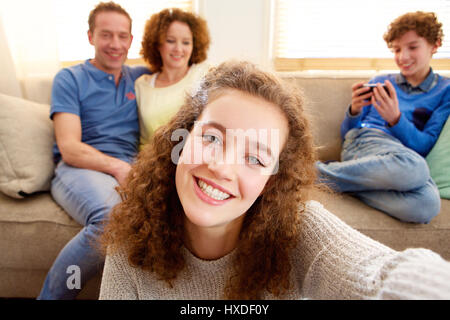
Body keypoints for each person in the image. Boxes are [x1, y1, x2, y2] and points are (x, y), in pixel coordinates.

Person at [98, 61, 450, 300]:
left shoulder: (298, 230)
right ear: (182, 137)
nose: (222, 168)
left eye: (255, 158)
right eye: (211, 138)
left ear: (270, 180)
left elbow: (376, 276)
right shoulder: (132, 240)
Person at [37, 2, 149, 299]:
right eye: (106, 35)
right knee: (111, 217)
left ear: (131, 40)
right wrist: (118, 168)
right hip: (79, 167)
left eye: (122, 36)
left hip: (130, 166)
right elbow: (69, 147)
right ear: (90, 36)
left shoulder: (141, 78)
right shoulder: (70, 78)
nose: (115, 44)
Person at [316, 11, 450, 224]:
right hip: (367, 143)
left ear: (435, 45)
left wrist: (396, 119)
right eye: (397, 49)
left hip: (400, 159)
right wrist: (355, 111)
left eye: (412, 47)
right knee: (416, 168)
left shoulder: (445, 90)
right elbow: (349, 135)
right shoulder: (381, 81)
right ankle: (315, 173)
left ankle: (339, 180)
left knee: (427, 205)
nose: (402, 57)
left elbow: (424, 145)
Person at [135, 8, 211, 149]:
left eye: (186, 42)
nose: (178, 49)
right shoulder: (142, 85)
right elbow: (143, 141)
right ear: (157, 44)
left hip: (191, 156)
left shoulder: (204, 75)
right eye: (170, 41)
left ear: (194, 46)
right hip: (152, 162)